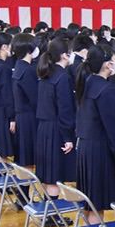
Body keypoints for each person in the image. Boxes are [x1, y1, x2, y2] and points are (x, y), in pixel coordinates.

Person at [75, 43, 115, 227]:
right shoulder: (106, 90)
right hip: (100, 149)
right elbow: (113, 128)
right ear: (107, 64)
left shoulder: (89, 82)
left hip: (86, 146)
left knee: (90, 199)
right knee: (97, 201)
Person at [35, 37, 76, 200]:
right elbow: (64, 110)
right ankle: (51, 216)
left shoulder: (47, 73)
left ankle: (47, 211)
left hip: (44, 128)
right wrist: (68, 137)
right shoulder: (62, 77)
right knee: (54, 175)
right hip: (56, 130)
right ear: (65, 55)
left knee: (47, 173)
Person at [10, 33, 40, 167]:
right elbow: (35, 99)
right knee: (28, 157)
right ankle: (24, 186)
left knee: (24, 156)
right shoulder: (27, 70)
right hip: (29, 118)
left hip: (21, 116)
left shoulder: (19, 66)